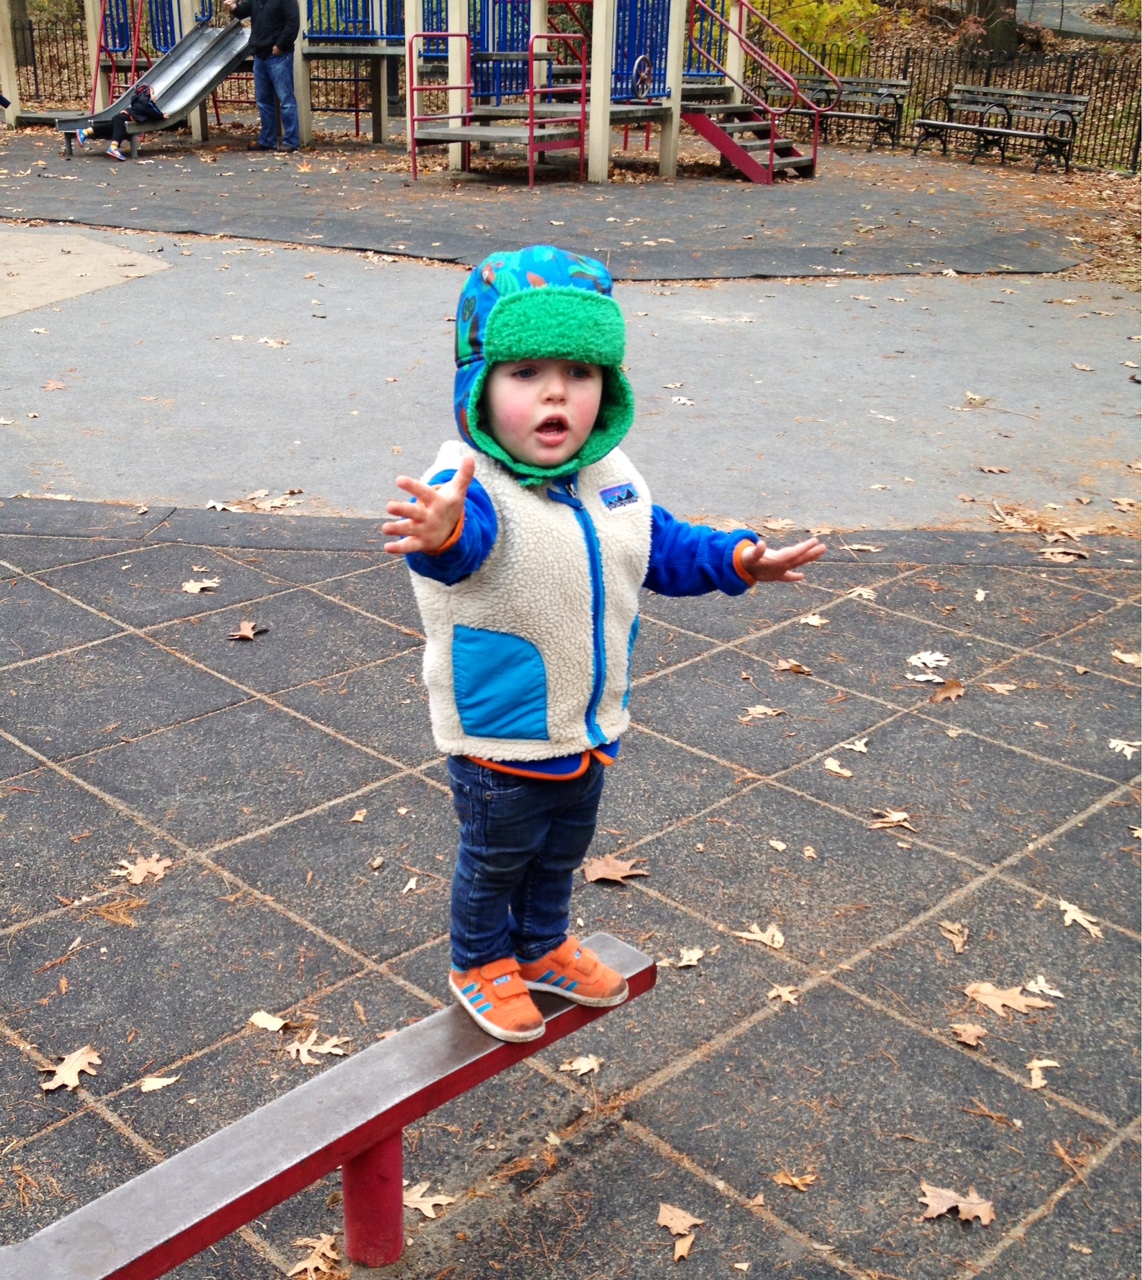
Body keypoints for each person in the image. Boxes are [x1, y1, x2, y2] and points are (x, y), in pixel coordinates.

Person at [383, 246, 825, 1045]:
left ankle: (542, 944)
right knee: (497, 857)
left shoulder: (609, 476)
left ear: (607, 388)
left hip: (588, 720)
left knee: (561, 851)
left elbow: (661, 546)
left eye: (579, 374)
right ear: (479, 386)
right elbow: (458, 548)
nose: (555, 392)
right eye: (526, 373)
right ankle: (479, 960)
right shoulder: (469, 485)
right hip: (502, 730)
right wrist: (439, 533)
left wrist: (738, 558)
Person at [223, 0, 300, 152]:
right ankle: (267, 140)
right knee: (264, 100)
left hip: (278, 55)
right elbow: (244, 10)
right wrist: (234, 7)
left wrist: (280, 46)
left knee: (286, 100)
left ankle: (291, 141)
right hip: (260, 54)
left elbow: (293, 23)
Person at [75, 82, 164, 161]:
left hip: (121, 117)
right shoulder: (146, 102)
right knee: (119, 132)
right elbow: (154, 113)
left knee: (108, 127)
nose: (154, 96)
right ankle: (113, 147)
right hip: (123, 118)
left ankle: (85, 132)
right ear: (146, 94)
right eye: (152, 93)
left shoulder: (140, 102)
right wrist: (162, 115)